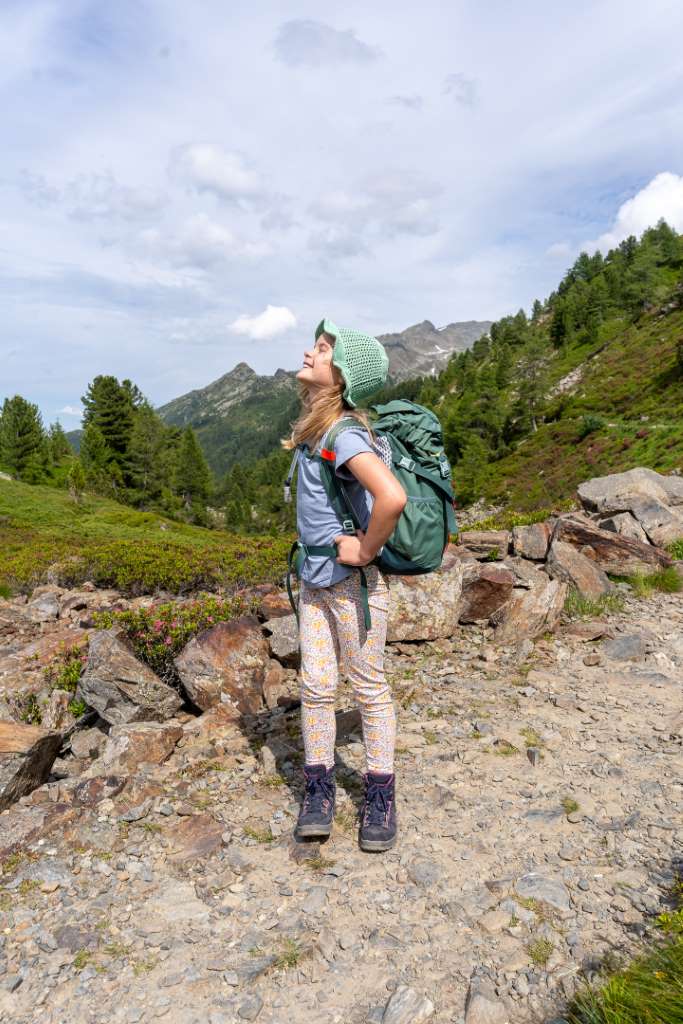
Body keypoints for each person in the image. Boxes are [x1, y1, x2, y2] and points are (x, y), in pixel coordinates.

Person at [280, 317, 407, 852]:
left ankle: (379, 793)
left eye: (324, 348)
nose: (311, 352)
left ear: (342, 376)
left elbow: (392, 497)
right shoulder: (317, 430)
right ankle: (318, 785)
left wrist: (366, 548)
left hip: (351, 587)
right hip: (314, 582)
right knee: (315, 684)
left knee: (368, 688)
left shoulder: (343, 432)